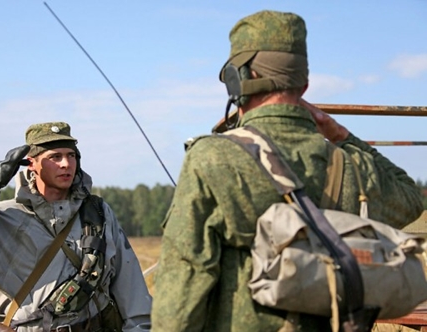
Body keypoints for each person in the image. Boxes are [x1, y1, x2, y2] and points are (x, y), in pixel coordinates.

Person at [151, 10, 424, 332]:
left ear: (238, 79)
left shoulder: (213, 157)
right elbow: (409, 197)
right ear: (304, 84)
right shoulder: (348, 163)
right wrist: (342, 136)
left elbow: (186, 277)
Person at [0, 121, 152, 332]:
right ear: (31, 163)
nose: (66, 164)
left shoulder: (97, 214)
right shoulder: (4, 218)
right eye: (55, 156)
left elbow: (131, 289)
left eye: (71, 155)